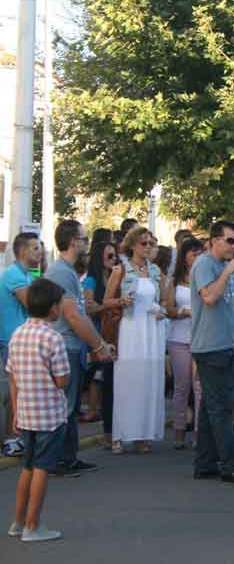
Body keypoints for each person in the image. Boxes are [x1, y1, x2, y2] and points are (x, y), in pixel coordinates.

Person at [189, 221, 234, 483]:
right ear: (214, 240)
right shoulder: (206, 264)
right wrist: (229, 270)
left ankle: (205, 463)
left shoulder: (222, 267)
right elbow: (209, 298)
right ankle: (230, 464)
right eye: (230, 241)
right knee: (221, 409)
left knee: (211, 408)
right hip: (210, 346)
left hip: (224, 344)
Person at [45, 219, 115, 477]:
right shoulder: (62, 272)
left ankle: (67, 457)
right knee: (65, 405)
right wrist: (98, 344)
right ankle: (60, 459)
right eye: (84, 239)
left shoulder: (65, 271)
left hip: (71, 347)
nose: (87, 244)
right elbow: (73, 316)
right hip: (65, 347)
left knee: (70, 406)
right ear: (73, 242)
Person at [6, 278, 72, 543]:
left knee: (27, 467)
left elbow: (12, 376)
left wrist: (15, 412)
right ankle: (33, 525)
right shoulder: (53, 337)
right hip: (50, 415)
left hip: (25, 413)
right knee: (43, 468)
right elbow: (62, 380)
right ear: (54, 308)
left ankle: (18, 521)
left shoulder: (17, 334)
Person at [103, 226, 166, 454]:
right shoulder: (120, 270)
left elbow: (166, 302)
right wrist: (121, 301)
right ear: (132, 246)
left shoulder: (156, 271)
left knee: (148, 382)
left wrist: (162, 311)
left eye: (151, 243)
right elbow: (106, 301)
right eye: (143, 243)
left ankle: (142, 434)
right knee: (127, 382)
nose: (148, 247)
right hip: (130, 329)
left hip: (152, 331)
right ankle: (119, 435)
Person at [164, 237, 203, 450]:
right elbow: (168, 308)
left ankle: (199, 432)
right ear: (184, 257)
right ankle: (179, 430)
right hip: (178, 338)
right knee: (182, 386)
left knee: (199, 387)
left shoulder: (205, 277)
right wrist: (183, 312)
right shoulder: (174, 280)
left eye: (199, 253)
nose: (197, 257)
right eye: (193, 253)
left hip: (200, 338)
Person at [1, 233, 42, 438]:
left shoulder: (28, 274)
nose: (40, 251)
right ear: (23, 251)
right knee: (14, 390)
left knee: (22, 388)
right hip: (11, 339)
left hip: (23, 339)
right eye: (35, 248)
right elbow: (34, 304)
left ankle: (19, 434)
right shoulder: (13, 274)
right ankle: (11, 438)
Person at [83, 241, 122, 449]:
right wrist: (109, 306)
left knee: (117, 383)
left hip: (119, 334)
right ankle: (108, 432)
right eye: (109, 256)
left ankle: (119, 430)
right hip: (100, 335)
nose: (113, 259)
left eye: (115, 256)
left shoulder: (120, 276)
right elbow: (88, 307)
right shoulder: (91, 280)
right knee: (106, 383)